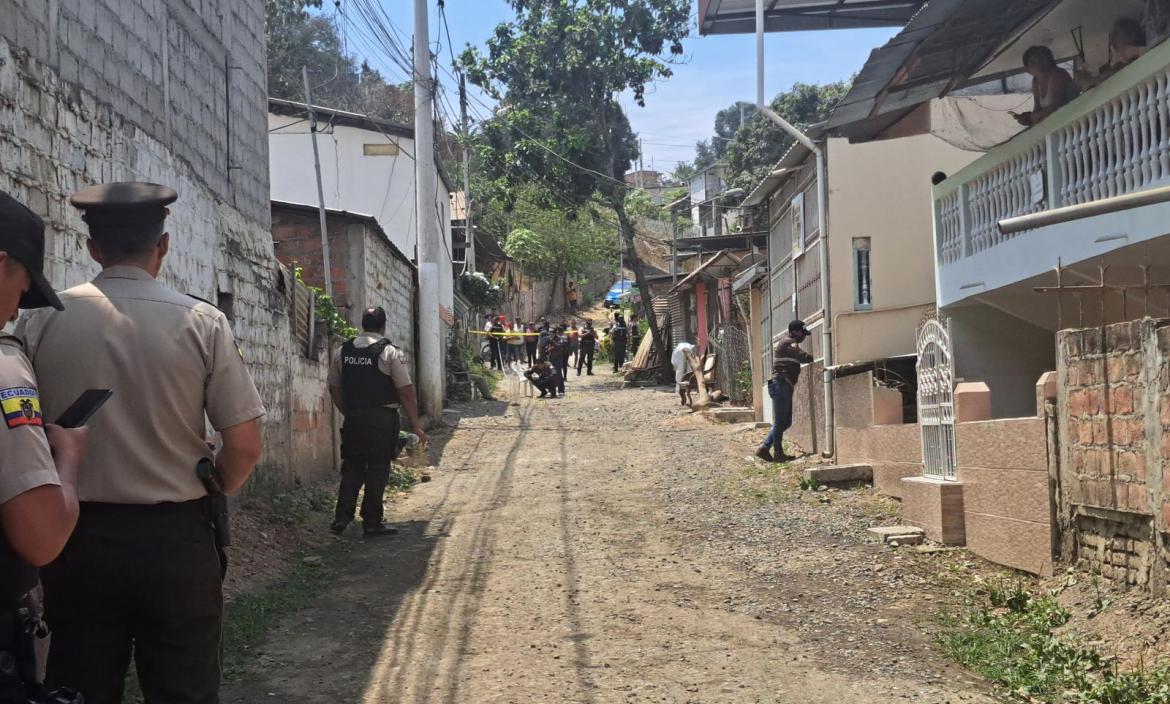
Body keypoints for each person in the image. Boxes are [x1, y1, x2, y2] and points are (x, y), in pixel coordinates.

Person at [16, 182, 266, 703]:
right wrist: (217, 485)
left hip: (75, 541)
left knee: (78, 685)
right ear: (164, 245)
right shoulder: (203, 322)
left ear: (92, 248)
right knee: (185, 687)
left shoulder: (39, 321)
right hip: (176, 541)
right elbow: (244, 443)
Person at [0, 191, 88, 703]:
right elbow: (42, 538)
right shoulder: (5, 371)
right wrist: (68, 457)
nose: (14, 311)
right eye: (21, 288)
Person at [328, 306, 428, 538]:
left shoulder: (342, 351)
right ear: (383, 325)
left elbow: (333, 387)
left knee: (352, 466)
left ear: (362, 324)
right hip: (382, 420)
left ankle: (341, 519)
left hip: (354, 419)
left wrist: (348, 412)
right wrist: (415, 424)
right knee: (378, 467)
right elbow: (406, 392)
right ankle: (372, 522)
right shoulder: (390, 352)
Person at [757, 320, 815, 463]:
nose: (803, 336)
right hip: (780, 384)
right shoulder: (789, 342)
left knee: (786, 422)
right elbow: (805, 357)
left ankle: (765, 448)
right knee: (780, 421)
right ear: (795, 331)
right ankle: (778, 453)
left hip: (783, 385)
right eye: (802, 333)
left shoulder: (788, 343)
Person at [1013, 46, 1080, 127]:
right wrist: (1029, 118)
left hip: (1073, 120)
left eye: (1040, 60)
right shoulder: (1035, 81)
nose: (1039, 65)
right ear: (1028, 70)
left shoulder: (1057, 74)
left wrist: (1036, 116)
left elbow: (1057, 107)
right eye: (1033, 63)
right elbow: (1037, 108)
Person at [1077, 18, 1147, 89]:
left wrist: (1093, 80)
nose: (1111, 38)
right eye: (1112, 35)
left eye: (1116, 35)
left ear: (1131, 36)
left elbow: (1119, 68)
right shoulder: (1118, 62)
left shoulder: (1142, 51)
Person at [671, 341, 698, 406]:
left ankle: (678, 388)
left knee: (680, 370)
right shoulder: (690, 346)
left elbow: (675, 365)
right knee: (689, 369)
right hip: (688, 350)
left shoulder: (676, 351)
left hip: (681, 351)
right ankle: (689, 387)